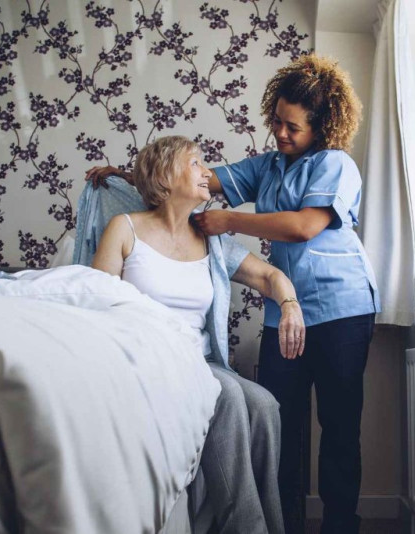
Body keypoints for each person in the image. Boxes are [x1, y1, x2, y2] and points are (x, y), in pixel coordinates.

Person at [87, 54, 380, 534]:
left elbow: (305, 226)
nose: (281, 134)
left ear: (322, 127)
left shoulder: (335, 165)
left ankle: (340, 526)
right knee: (277, 420)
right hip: (281, 314)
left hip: (340, 308)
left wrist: (230, 221)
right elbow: (189, 179)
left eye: (293, 127)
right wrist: (125, 175)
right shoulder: (268, 167)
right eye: (277, 123)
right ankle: (280, 523)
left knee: (340, 426)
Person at [90, 135, 306, 534]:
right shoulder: (124, 229)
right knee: (226, 395)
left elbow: (270, 276)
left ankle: (273, 527)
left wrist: (290, 305)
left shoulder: (212, 240)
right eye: (196, 164)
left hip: (199, 362)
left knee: (264, 406)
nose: (208, 172)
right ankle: (247, 528)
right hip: (148, 360)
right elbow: (97, 303)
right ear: (166, 175)